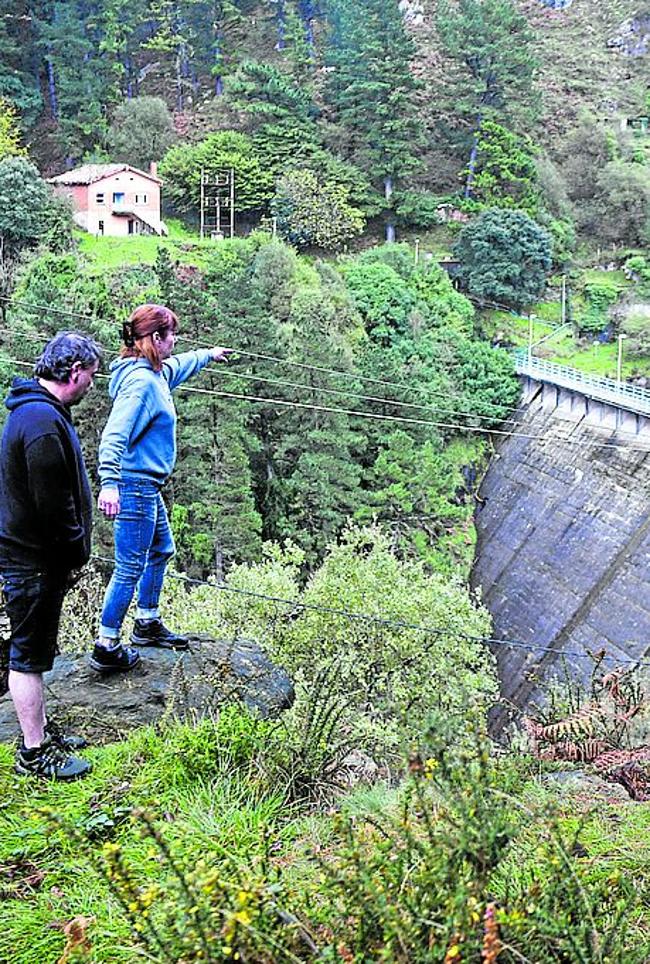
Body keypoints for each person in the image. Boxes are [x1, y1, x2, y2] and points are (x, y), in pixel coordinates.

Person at [91, 304, 232, 671]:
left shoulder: (155, 374)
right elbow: (114, 434)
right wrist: (109, 483)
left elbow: (178, 366)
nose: (176, 341)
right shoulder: (140, 384)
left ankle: (147, 622)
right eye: (172, 335)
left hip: (147, 486)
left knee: (161, 550)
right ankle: (106, 643)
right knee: (129, 567)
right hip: (133, 485)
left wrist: (208, 355)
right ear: (156, 338)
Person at [0, 331, 101, 780]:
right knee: (28, 656)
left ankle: (40, 730)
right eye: (91, 377)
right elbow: (51, 506)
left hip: (35, 558)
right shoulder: (41, 423)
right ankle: (34, 753)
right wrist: (73, 550)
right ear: (74, 372)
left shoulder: (39, 413)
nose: (92, 386)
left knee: (38, 652)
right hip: (33, 560)